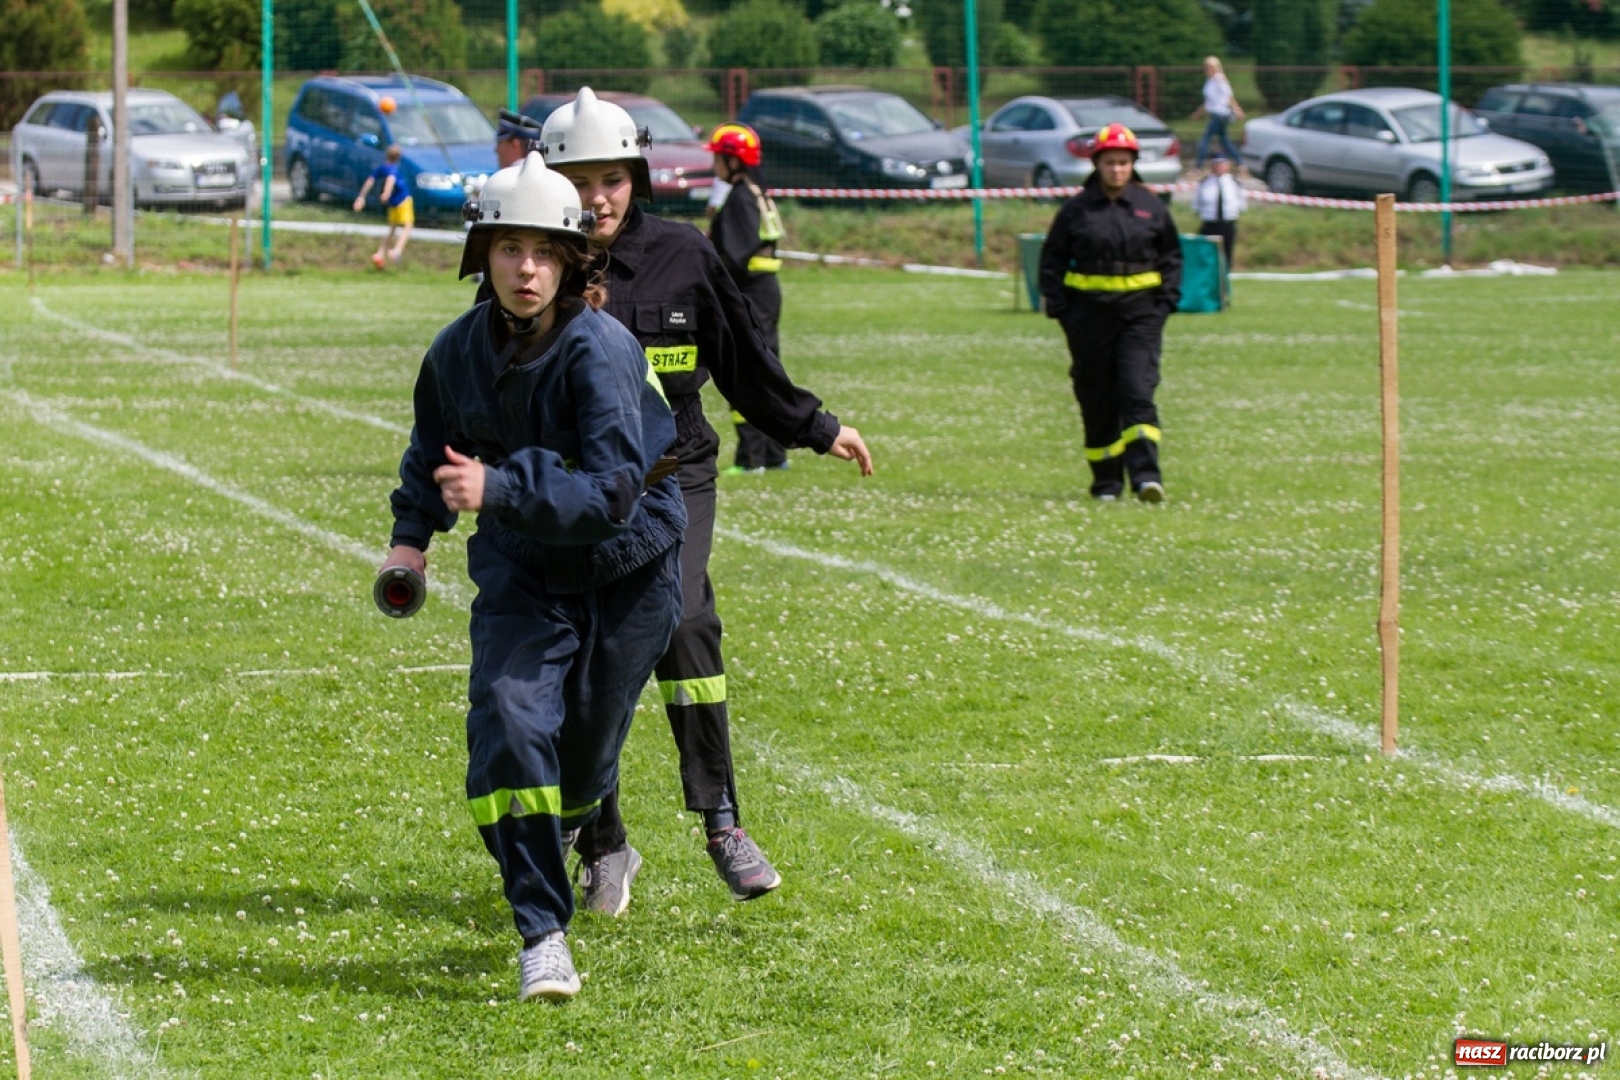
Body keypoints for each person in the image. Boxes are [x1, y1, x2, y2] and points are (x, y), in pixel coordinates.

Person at [539, 87, 873, 913]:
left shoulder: (684, 254)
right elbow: (488, 376)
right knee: (592, 652)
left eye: (612, 179)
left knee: (682, 621)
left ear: (638, 178)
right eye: (578, 181)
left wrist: (815, 426)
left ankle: (722, 821)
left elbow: (744, 361)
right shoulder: (532, 260)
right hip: (578, 487)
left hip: (674, 473)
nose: (597, 198)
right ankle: (603, 839)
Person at [380, 151, 686, 1002]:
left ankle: (585, 824)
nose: (526, 269)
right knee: (510, 725)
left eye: (545, 252)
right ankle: (543, 934)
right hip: (521, 566)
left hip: (628, 567)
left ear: (571, 263)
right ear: (482, 257)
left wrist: (501, 487)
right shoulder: (455, 352)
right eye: (510, 249)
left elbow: (613, 495)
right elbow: (431, 453)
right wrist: (410, 542)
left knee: (581, 763)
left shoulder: (602, 350)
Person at [1038, 122, 1182, 504]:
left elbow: (1171, 258)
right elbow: (1051, 261)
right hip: (1088, 319)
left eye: (1123, 162)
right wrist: (1063, 312)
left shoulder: (1152, 207)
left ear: (1133, 164)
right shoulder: (1076, 210)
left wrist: (1164, 304)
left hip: (1140, 317)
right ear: (1097, 164)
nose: (1117, 169)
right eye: (1110, 162)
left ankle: (1146, 478)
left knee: (1137, 391)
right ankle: (1106, 484)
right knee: (1096, 398)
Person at [707, 122, 790, 474]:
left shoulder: (740, 198)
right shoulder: (754, 190)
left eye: (718, 159)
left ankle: (752, 457)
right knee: (766, 369)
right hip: (763, 290)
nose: (714, 165)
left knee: (746, 370)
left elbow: (733, 255)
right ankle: (774, 454)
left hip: (750, 292)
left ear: (733, 161)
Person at [354, 144, 413, 269]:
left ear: (387, 155)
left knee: (392, 229)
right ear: (399, 158)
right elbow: (391, 179)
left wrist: (361, 197)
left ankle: (380, 253)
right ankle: (397, 251)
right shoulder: (394, 169)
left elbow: (370, 181)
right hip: (403, 200)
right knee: (408, 226)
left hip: (392, 203)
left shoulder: (382, 168)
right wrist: (386, 192)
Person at [1191, 151, 1245, 268]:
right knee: (1205, 256)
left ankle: (1225, 276)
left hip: (1227, 224)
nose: (1218, 167)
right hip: (1209, 224)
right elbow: (1197, 205)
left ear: (1228, 165)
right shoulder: (1204, 183)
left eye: (1221, 164)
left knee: (1226, 256)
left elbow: (1241, 204)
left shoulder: (1234, 183)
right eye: (1215, 164)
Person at [1192, 56, 1245, 171]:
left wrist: (1237, 109)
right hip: (1215, 113)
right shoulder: (1210, 80)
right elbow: (1209, 101)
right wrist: (1198, 113)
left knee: (1205, 139)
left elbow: (1229, 96)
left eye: (1209, 67)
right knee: (1224, 140)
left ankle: (1198, 166)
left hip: (1220, 114)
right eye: (1206, 67)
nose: (1207, 69)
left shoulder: (1219, 79)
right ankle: (1240, 163)